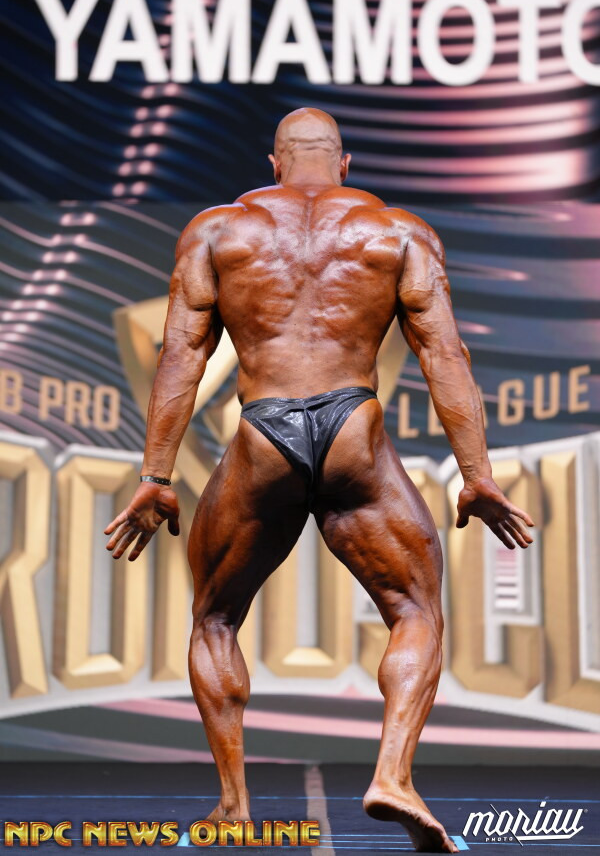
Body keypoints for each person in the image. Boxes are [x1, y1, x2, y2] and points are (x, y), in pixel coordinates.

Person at [104, 107, 534, 853]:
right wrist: (477, 475)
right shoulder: (397, 233)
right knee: (415, 611)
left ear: (274, 165)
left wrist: (156, 474)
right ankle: (393, 776)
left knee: (215, 619)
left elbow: (180, 355)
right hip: (352, 429)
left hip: (263, 429)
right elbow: (445, 355)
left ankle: (233, 809)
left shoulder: (217, 231)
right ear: (345, 163)